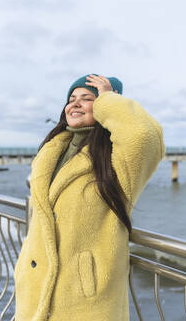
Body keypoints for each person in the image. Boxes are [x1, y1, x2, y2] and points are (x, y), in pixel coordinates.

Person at [13, 74, 165, 320]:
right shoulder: (52, 152)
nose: (75, 103)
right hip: (34, 290)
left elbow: (143, 136)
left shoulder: (118, 163)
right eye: (71, 99)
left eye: (87, 98)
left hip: (84, 300)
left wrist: (108, 98)